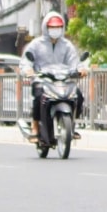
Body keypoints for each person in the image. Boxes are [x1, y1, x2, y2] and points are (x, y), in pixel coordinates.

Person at [19, 10, 85, 141]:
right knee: (38, 97)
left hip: (63, 81)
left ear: (62, 28)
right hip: (42, 80)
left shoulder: (67, 45)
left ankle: (71, 125)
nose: (55, 30)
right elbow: (26, 61)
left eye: (58, 27)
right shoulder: (36, 44)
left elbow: (75, 62)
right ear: (46, 27)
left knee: (79, 96)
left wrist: (81, 70)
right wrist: (28, 70)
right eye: (52, 27)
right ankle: (35, 126)